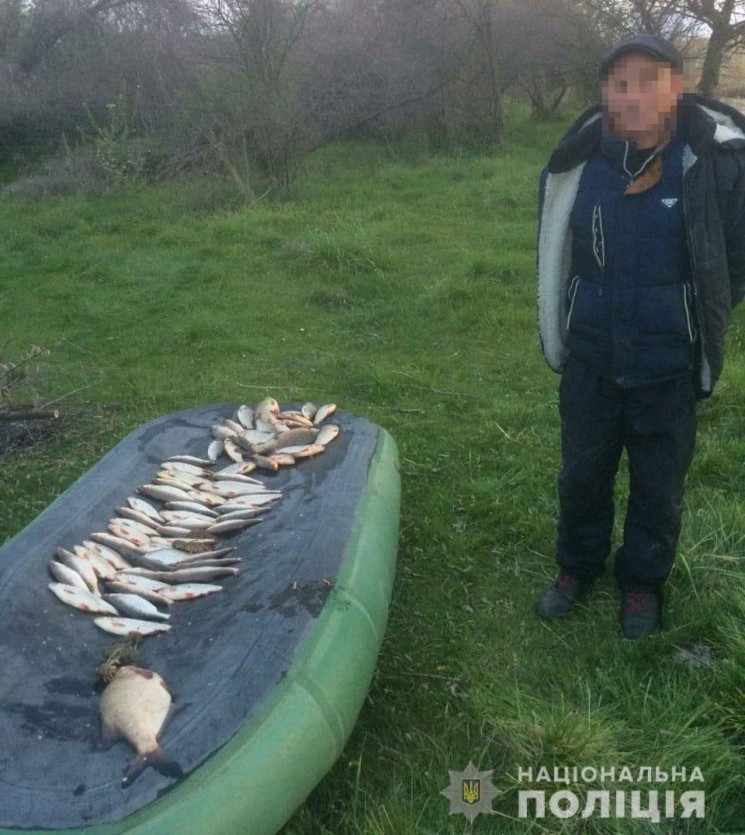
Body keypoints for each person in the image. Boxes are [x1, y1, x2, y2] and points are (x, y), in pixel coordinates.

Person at [534, 34, 745, 639]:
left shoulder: (709, 164)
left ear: (674, 88)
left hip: (668, 365)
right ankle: (577, 568)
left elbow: (735, 259)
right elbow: (560, 253)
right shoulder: (579, 163)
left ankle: (642, 584)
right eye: (619, 84)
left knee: (659, 487)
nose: (633, 96)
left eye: (649, 81)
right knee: (582, 474)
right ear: (606, 93)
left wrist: (690, 313)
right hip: (592, 359)